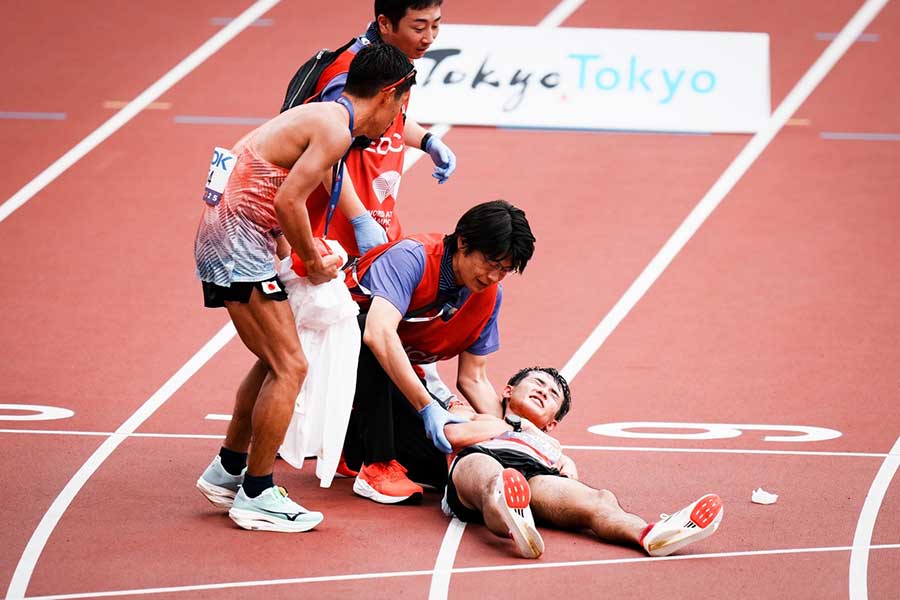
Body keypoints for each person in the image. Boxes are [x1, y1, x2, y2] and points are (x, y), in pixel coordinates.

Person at [193, 43, 417, 532]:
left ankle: (229, 468)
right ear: (387, 94)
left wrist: (297, 246)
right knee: (292, 365)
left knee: (274, 358)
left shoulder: (322, 117)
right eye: (400, 110)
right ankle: (256, 493)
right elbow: (292, 200)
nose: (396, 125)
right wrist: (313, 261)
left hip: (234, 232)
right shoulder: (335, 132)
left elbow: (266, 182)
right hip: (236, 240)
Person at [341, 200, 536, 504]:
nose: (494, 277)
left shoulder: (488, 296)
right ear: (463, 242)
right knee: (364, 329)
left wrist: (510, 435)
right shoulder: (411, 259)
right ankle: (377, 465)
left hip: (390, 387)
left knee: (442, 464)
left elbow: (474, 378)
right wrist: (426, 408)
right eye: (491, 262)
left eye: (505, 270)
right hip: (331, 363)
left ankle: (351, 443)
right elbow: (377, 334)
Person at [442, 367, 725, 559]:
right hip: (478, 463)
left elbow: (568, 482)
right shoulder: (480, 417)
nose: (544, 391)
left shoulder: (553, 449)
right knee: (493, 479)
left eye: (553, 395)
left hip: (535, 477)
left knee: (600, 500)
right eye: (538, 383)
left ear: (551, 423)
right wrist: (510, 426)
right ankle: (510, 516)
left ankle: (649, 534)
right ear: (507, 391)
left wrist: (563, 464)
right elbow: (452, 435)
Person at [298, 0, 454, 259]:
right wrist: (360, 220)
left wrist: (427, 141)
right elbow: (324, 155)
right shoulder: (348, 74)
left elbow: (391, 118)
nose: (429, 38)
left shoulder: (394, 62)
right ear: (384, 23)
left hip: (377, 220)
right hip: (334, 234)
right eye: (418, 28)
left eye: (435, 25)